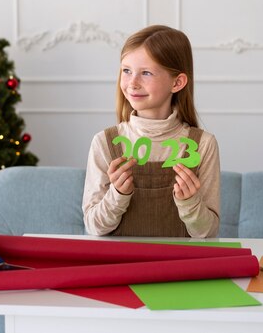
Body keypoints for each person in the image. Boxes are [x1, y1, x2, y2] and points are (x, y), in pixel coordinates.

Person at [82, 25, 220, 238]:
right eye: (126, 71)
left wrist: (190, 203)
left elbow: (208, 233)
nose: (132, 83)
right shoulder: (105, 142)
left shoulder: (203, 144)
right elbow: (94, 227)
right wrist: (117, 195)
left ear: (177, 82)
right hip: (121, 267)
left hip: (179, 268)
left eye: (146, 73)